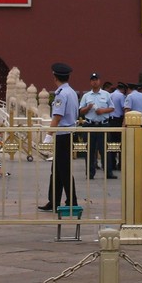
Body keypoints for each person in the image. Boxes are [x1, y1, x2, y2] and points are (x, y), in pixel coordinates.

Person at [39, 62, 79, 211]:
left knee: (64, 170)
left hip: (63, 134)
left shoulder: (61, 94)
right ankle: (54, 200)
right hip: (69, 133)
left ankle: (72, 201)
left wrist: (48, 135)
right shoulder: (72, 92)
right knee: (56, 170)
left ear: (55, 77)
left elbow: (57, 116)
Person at [79, 72, 113, 178]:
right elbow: (80, 111)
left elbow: (112, 108)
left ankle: (108, 172)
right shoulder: (86, 96)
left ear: (99, 81)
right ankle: (90, 173)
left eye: (96, 79)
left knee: (105, 150)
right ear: (90, 82)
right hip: (90, 125)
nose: (94, 81)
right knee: (89, 150)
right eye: (92, 80)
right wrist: (88, 108)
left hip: (103, 125)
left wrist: (102, 111)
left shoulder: (106, 94)